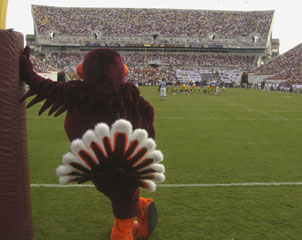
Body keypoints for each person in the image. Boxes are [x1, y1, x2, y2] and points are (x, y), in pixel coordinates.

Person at [19, 46, 158, 240]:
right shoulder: (126, 94)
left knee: (122, 212)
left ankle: (128, 226)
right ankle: (141, 206)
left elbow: (43, 86)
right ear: (122, 71)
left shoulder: (78, 92)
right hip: (105, 163)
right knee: (117, 192)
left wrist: (26, 70)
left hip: (114, 165)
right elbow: (147, 114)